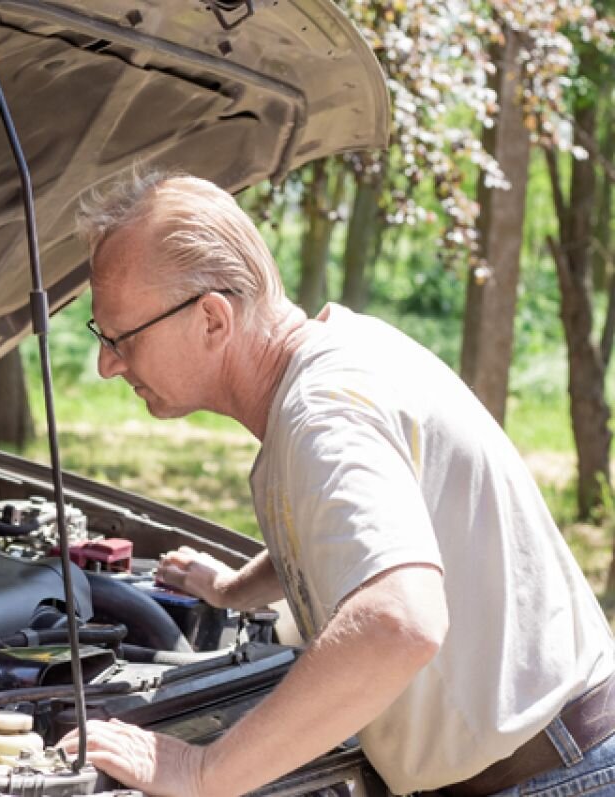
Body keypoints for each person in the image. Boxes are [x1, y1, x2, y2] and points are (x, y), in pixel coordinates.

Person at [57, 171, 615, 796]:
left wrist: (203, 771)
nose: (108, 364)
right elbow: (360, 526)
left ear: (212, 320)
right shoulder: (339, 354)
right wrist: (236, 588)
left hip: (552, 777)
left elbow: (397, 620)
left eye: (120, 336)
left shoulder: (324, 413)